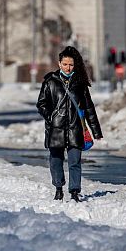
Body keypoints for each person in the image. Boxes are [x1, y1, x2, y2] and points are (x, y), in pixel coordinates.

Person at [36, 46, 104, 202]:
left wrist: (96, 131)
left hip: (75, 129)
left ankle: (74, 191)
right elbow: (41, 104)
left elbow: (89, 108)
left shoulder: (80, 84)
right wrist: (50, 117)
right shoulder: (50, 81)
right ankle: (58, 188)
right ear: (59, 63)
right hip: (56, 129)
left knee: (75, 162)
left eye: (71, 65)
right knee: (56, 161)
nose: (68, 67)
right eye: (65, 64)